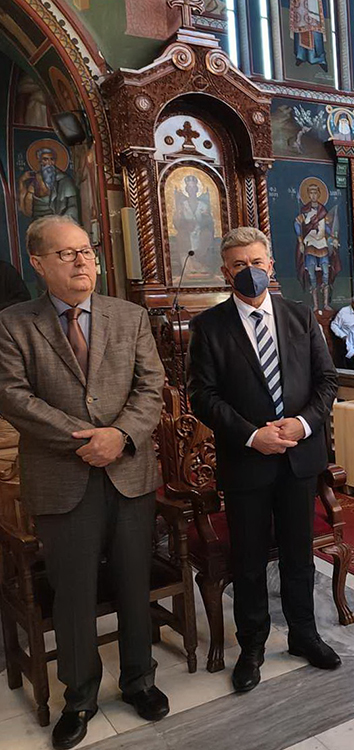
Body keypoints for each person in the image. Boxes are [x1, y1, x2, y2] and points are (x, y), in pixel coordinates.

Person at [0, 216, 168, 748]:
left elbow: (152, 386)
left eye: (87, 251)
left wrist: (120, 435)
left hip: (129, 472)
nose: (82, 261)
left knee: (134, 581)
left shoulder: (130, 316)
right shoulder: (13, 324)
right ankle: (80, 697)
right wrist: (85, 440)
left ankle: (140, 680)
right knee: (73, 592)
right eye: (67, 253)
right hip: (61, 478)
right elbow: (13, 397)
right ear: (38, 263)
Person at [186, 227, 341, 695]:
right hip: (246, 461)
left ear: (271, 265)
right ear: (225, 272)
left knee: (298, 554)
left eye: (256, 261)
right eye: (238, 264)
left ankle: (304, 635)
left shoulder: (300, 316)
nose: (249, 271)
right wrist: (253, 436)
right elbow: (202, 396)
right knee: (249, 560)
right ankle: (251, 645)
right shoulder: (209, 327)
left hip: (298, 457)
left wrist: (303, 424)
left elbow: (327, 381)